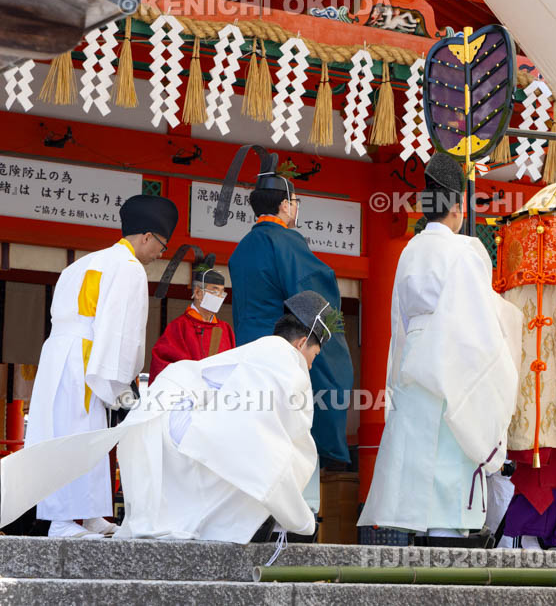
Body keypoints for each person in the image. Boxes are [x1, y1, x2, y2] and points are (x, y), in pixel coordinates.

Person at [0, 291, 337, 543]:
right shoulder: (287, 360)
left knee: (243, 458)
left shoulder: (263, 346)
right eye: (314, 354)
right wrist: (302, 517)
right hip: (183, 417)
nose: (311, 363)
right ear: (302, 342)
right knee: (272, 457)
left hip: (167, 410)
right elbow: (296, 431)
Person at [357, 151, 522, 539]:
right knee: (450, 453)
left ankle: (419, 529)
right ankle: (448, 536)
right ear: (458, 208)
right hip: (452, 360)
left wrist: (396, 374)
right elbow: (480, 321)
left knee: (416, 459)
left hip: (415, 361)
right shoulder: (466, 250)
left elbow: (397, 320)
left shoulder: (408, 251)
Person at [22, 194, 177, 539]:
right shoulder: (128, 267)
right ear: (147, 236)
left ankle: (89, 515)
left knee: (76, 433)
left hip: (59, 353)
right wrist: (123, 384)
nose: (160, 254)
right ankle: (62, 522)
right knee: (78, 435)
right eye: (161, 245)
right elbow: (121, 329)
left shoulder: (81, 263)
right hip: (87, 355)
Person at [220, 144, 355, 521]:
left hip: (249, 359)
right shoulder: (287, 243)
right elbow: (315, 305)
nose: (296, 209)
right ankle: (299, 520)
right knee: (293, 444)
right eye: (295, 202)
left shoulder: (242, 248)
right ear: (285, 205)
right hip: (283, 360)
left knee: (258, 443)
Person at [149, 246, 235, 381]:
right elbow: (163, 365)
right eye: (214, 291)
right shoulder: (179, 327)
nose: (219, 296)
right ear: (198, 293)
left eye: (221, 292)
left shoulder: (224, 329)